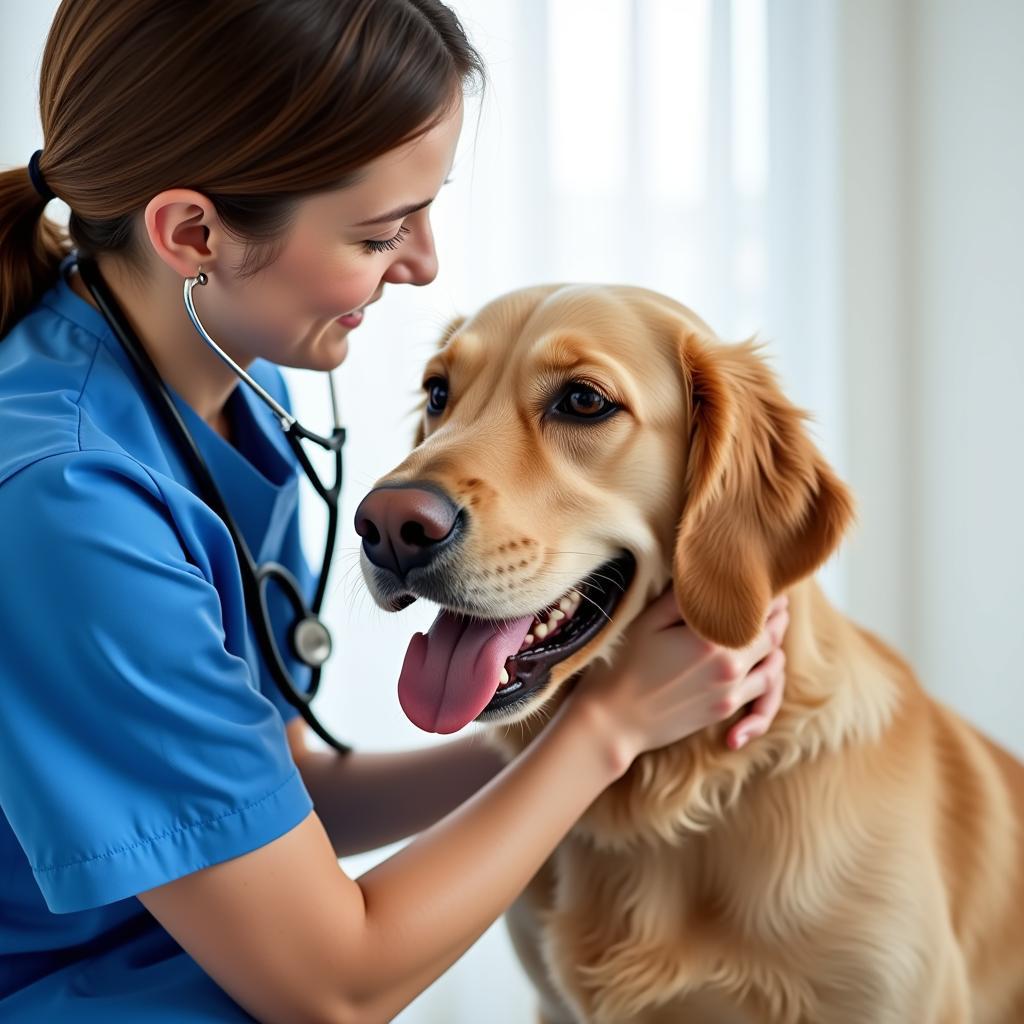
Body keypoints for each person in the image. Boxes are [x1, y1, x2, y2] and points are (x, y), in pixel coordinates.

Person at [0, 2, 790, 1021]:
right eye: (378, 232)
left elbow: (263, 804)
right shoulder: (68, 507)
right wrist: (607, 727)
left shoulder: (231, 385)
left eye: (424, 210)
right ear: (192, 233)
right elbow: (332, 983)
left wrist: (560, 722)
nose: (422, 262)